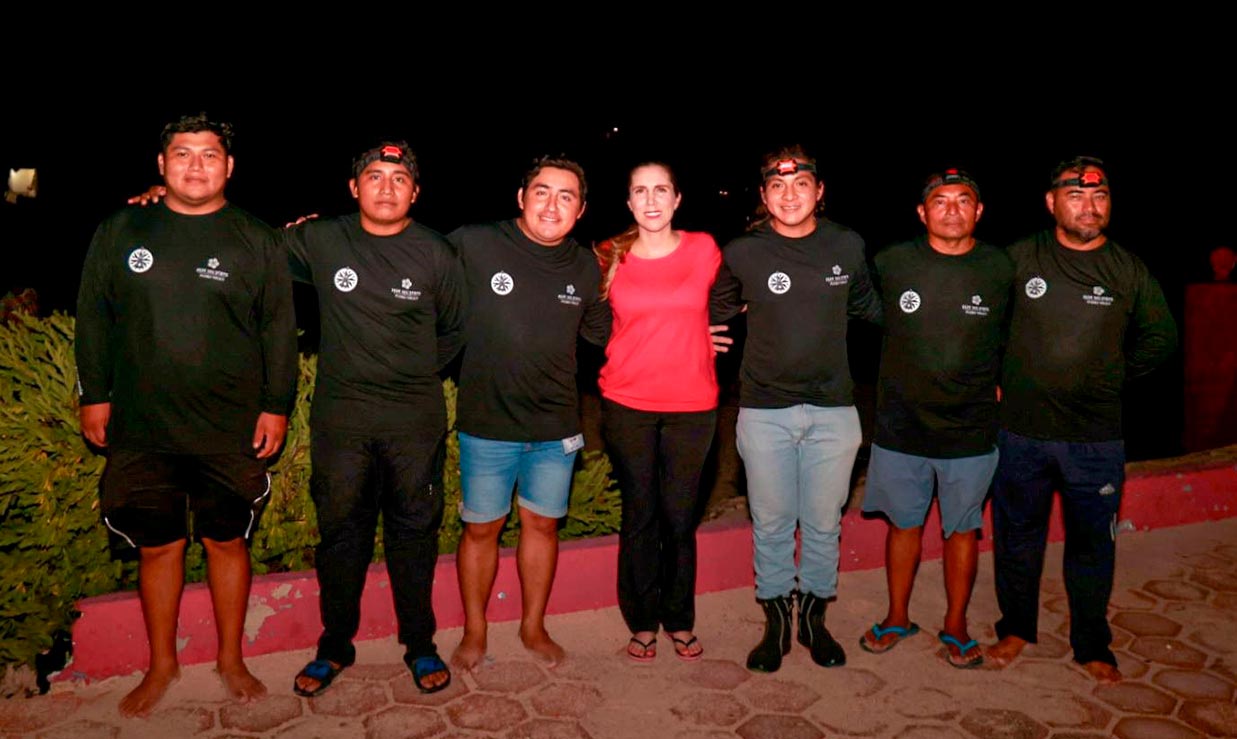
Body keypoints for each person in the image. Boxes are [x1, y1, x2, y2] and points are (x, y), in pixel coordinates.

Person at [75, 113, 297, 716]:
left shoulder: (256, 238)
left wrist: (276, 406)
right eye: (182, 153)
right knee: (158, 547)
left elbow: (279, 330)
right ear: (161, 163)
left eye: (209, 155)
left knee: (227, 542)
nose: (195, 165)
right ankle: (162, 665)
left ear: (230, 166)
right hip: (143, 426)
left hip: (229, 427)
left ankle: (230, 659)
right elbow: (93, 317)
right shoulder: (122, 227)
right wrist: (94, 394)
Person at [987, 157, 1177, 683]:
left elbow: (1162, 338)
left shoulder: (1127, 269)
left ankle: (1092, 644)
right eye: (1076, 196)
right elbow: (982, 320)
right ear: (1052, 203)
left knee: (1093, 545)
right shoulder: (1019, 257)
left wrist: (1114, 374)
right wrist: (992, 376)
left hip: (1096, 439)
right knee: (1016, 538)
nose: (1089, 206)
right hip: (1021, 432)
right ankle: (1015, 629)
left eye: (1099, 196)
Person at [284, 143, 465, 696]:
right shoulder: (320, 239)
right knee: (342, 532)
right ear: (353, 187)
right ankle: (335, 645)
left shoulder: (436, 253)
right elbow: (244, 244)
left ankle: (420, 643)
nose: (387, 187)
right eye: (375, 176)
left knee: (414, 531)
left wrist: (408, 373)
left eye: (399, 178)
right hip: (342, 419)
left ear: (416, 192)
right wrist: (169, 202)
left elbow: (455, 330)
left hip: (414, 419)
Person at [711, 146, 882, 673]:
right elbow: (711, 308)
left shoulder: (847, 245)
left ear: (819, 191)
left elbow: (870, 309)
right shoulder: (743, 252)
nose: (790, 195)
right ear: (764, 196)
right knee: (771, 523)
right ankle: (776, 623)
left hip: (834, 410)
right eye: (778, 186)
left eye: (801, 184)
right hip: (765, 410)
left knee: (824, 523)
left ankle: (814, 619)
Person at [448, 156, 610, 669]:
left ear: (580, 210)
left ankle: (533, 626)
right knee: (481, 529)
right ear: (521, 197)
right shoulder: (475, 243)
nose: (552, 205)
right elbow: (415, 269)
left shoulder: (586, 267)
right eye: (542, 191)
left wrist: (691, 324)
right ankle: (475, 631)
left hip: (555, 426)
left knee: (542, 527)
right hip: (487, 423)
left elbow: (609, 332)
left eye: (566, 196)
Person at [860, 170, 1012, 668]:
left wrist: (1007, 379)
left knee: (961, 530)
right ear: (922, 212)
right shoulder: (891, 262)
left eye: (963, 200)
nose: (951, 210)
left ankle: (956, 625)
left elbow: (1020, 332)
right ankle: (896, 617)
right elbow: (848, 309)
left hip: (970, 426)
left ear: (979, 211)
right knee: (903, 525)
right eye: (940, 201)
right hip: (901, 424)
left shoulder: (1000, 266)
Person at [595, 162, 721, 663]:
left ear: (677, 199)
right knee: (640, 514)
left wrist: (712, 330)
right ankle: (643, 621)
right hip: (627, 402)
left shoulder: (704, 249)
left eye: (661, 190)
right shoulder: (609, 254)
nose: (651, 200)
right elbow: (588, 320)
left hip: (693, 405)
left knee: (679, 518)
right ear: (629, 202)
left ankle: (680, 618)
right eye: (640, 191)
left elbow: (734, 297)